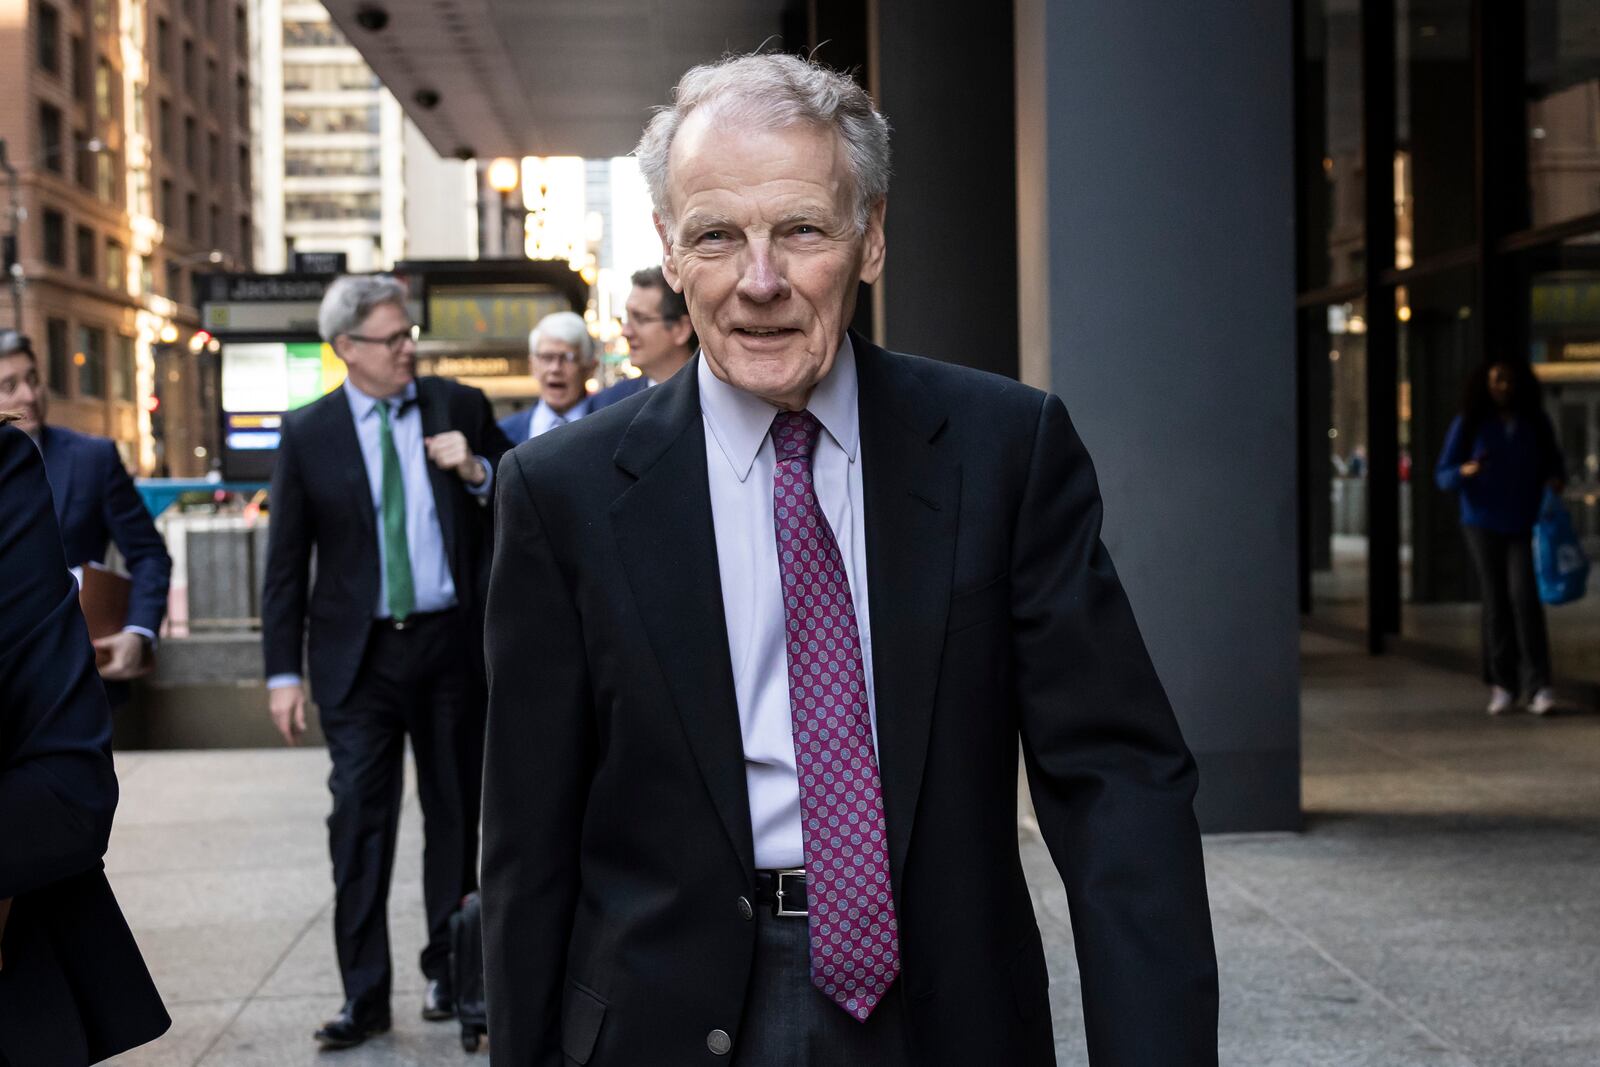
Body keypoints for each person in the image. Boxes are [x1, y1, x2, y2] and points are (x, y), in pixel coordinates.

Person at [481, 53, 1218, 1066]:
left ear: (869, 237)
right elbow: (528, 837)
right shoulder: (559, 496)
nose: (760, 281)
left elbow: (1115, 778)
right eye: (715, 236)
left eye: (800, 230)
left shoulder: (1002, 450)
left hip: (945, 1013)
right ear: (667, 247)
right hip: (659, 1015)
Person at [260, 274, 514, 1049]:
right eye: (393, 337)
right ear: (347, 349)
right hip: (358, 660)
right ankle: (363, 995)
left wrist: (474, 470)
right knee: (359, 828)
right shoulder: (308, 431)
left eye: (409, 333)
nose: (409, 347)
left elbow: (527, 495)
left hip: (447, 646)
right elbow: (285, 561)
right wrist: (282, 674)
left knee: (454, 814)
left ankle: (450, 969)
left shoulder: (457, 406)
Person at [0, 416, 170, 1065]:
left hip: (58, 662)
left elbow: (147, 551)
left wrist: (140, 628)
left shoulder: (76, 458)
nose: (18, 390)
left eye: (21, 378)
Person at [0, 330, 172, 696]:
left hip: (78, 675)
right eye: (8, 386)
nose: (28, 396)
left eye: (32, 380)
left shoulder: (93, 459)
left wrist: (138, 631)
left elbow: (149, 555)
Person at [1435, 359, 1565, 716]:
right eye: (1495, 380)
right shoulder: (1471, 422)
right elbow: (1443, 474)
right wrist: (1467, 470)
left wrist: (1554, 482)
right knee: (1496, 603)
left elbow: (1554, 463)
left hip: (1525, 520)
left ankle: (1539, 684)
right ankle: (1502, 683)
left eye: (1508, 379)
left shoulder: (1534, 422)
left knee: (1525, 599)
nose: (1502, 386)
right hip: (1482, 521)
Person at [591, 265, 697, 410]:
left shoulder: (719, 401)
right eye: (626, 319)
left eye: (640, 318)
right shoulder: (608, 403)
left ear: (681, 329)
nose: (625, 332)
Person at [497, 311, 599, 442]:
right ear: (532, 366)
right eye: (547, 357)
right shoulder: (505, 434)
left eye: (567, 358)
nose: (555, 368)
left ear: (589, 368)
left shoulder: (610, 429)